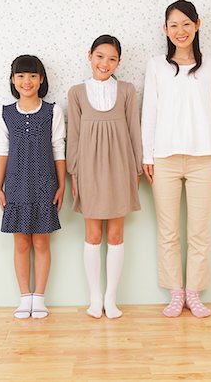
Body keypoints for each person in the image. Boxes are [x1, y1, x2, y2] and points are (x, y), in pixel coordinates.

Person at [141, 0, 211, 318]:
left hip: (204, 158)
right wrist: (147, 155)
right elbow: (149, 112)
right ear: (164, 29)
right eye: (173, 25)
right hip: (163, 158)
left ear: (197, 24)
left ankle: (194, 293)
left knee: (199, 230)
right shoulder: (156, 66)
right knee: (167, 231)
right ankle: (175, 293)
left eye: (185, 23)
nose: (180, 31)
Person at [67, 35, 142, 319]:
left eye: (112, 58)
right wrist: (74, 171)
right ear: (89, 56)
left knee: (116, 234)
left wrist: (136, 168)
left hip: (120, 168)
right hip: (88, 168)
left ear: (119, 62)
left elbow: (134, 131)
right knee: (92, 234)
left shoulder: (126, 90)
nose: (105, 63)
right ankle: (94, 297)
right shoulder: (76, 92)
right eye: (100, 56)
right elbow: (73, 135)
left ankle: (111, 297)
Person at [0, 55, 66, 319]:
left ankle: (40, 297)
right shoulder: (5, 113)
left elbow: (59, 149)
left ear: (41, 79)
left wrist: (61, 185)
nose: (27, 81)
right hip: (15, 184)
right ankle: (24, 297)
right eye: (21, 76)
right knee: (21, 243)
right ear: (13, 80)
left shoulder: (53, 111)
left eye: (33, 76)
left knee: (41, 243)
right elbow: (3, 152)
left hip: (45, 183)